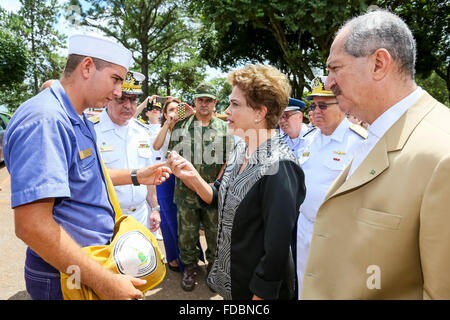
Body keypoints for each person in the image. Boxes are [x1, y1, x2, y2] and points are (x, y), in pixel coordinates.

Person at [3, 33, 171, 300]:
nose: (119, 92)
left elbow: (90, 179)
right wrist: (104, 282)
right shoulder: (47, 119)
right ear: (87, 67)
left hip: (86, 264)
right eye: (116, 79)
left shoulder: (76, 117)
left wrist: (139, 175)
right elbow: (32, 226)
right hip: (65, 276)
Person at [301, 9, 450, 299]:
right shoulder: (376, 131)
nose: (328, 82)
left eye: (335, 69)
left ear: (379, 64)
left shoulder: (441, 154)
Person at [168, 64, 306, 300]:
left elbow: (277, 249)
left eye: (235, 104)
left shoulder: (280, 166)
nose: (226, 110)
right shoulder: (240, 148)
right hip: (232, 284)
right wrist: (191, 176)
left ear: (259, 113)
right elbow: (218, 196)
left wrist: (258, 298)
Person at [295, 76, 367, 298]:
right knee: (303, 282)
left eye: (323, 105)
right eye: (313, 105)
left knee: (334, 288)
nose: (316, 110)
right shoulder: (308, 139)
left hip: (339, 233)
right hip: (304, 226)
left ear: (343, 106)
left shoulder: (359, 142)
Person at [167, 83, 234, 292]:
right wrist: (191, 181)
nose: (204, 104)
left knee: (215, 233)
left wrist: (215, 185)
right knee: (186, 234)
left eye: (208, 100)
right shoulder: (181, 125)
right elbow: (173, 156)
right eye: (200, 100)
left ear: (215, 103)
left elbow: (228, 160)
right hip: (185, 192)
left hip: (213, 194)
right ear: (194, 102)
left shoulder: (224, 128)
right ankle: (189, 267)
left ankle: (213, 267)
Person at [91, 70, 161, 234]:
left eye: (133, 100)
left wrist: (155, 208)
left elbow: (148, 176)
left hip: (141, 217)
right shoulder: (92, 130)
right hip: (106, 219)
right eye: (121, 99)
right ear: (108, 99)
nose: (128, 106)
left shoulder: (142, 132)